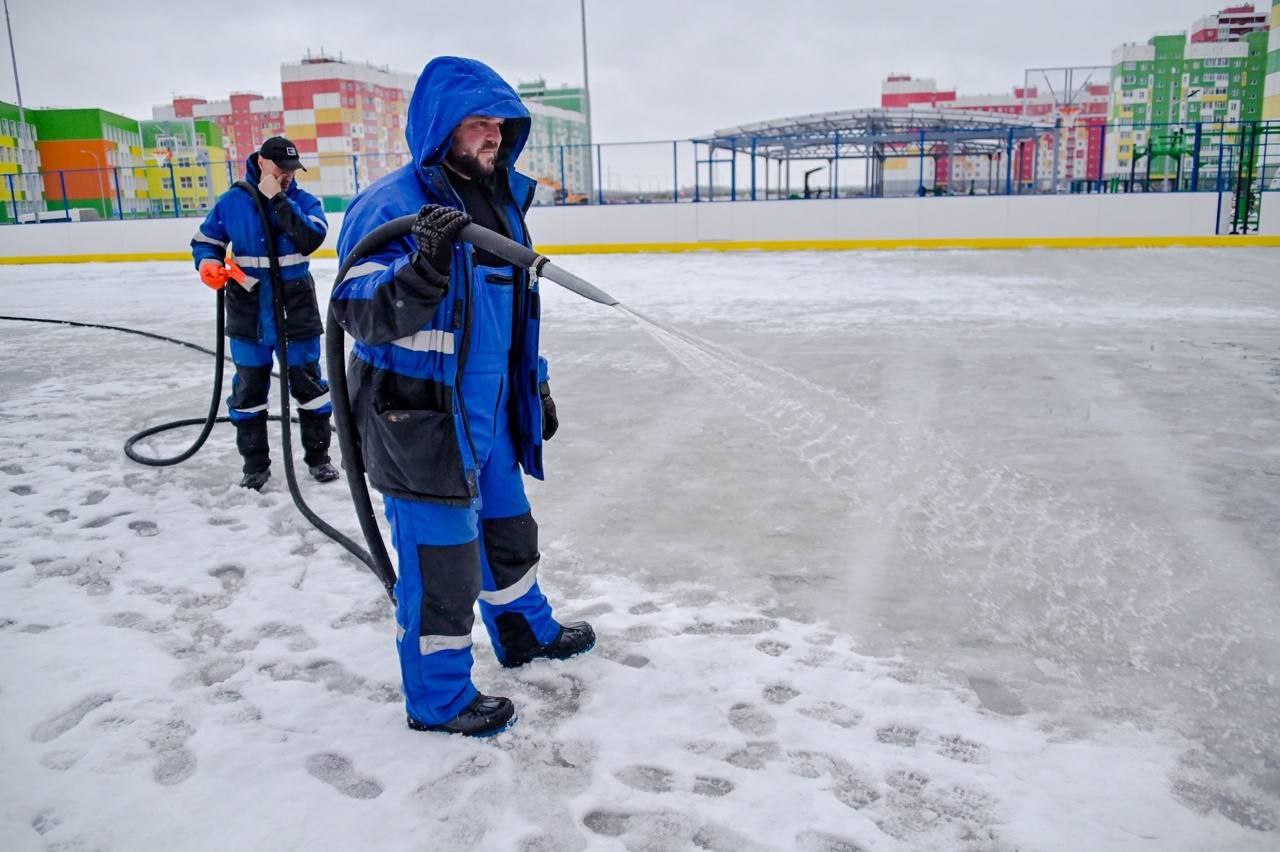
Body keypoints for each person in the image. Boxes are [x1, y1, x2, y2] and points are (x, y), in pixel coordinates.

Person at [332, 57, 594, 737]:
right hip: (422, 417)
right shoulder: (388, 205)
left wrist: (535, 383)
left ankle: (523, 632)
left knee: (509, 532)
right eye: (477, 122)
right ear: (441, 126)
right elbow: (357, 308)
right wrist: (421, 268)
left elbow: (512, 317)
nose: (493, 135)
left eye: (500, 123)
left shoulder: (500, 200)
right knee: (441, 563)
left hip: (493, 413)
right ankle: (439, 698)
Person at [191, 136, 339, 491]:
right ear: (261, 163)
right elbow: (207, 240)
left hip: (296, 311)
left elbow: (309, 239)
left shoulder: (305, 202)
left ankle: (319, 459)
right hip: (249, 312)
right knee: (248, 392)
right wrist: (208, 263)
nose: (287, 176)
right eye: (280, 169)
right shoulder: (233, 202)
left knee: (311, 388)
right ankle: (255, 466)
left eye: (292, 170)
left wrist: (278, 199)